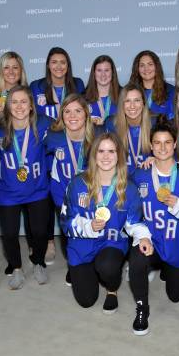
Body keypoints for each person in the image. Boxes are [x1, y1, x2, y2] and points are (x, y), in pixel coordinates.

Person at [60, 133, 152, 320]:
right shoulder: (77, 183)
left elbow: (135, 221)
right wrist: (89, 226)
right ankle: (86, 271)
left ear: (119, 155)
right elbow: (65, 222)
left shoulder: (128, 188)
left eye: (111, 151)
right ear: (93, 155)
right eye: (101, 151)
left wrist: (143, 237)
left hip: (111, 241)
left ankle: (112, 289)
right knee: (86, 301)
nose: (106, 156)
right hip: (82, 244)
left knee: (108, 267)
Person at [130, 116, 179, 335]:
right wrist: (141, 235)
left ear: (175, 145)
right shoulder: (140, 174)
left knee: (175, 296)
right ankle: (142, 308)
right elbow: (131, 211)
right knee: (136, 260)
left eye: (167, 142)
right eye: (157, 143)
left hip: (178, 245)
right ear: (151, 146)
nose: (162, 147)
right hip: (152, 241)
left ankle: (168, 271)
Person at [0, 85, 52, 287]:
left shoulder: (43, 124)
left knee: (40, 232)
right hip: (8, 192)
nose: (19, 106)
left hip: (37, 190)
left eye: (23, 101)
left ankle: (38, 262)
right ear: (7, 106)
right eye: (14, 102)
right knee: (9, 233)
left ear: (31, 106)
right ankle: (16, 268)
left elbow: (66, 131)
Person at [44, 94, 97, 284]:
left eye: (78, 111)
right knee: (69, 232)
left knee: (92, 229)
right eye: (67, 111)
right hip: (62, 196)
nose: (72, 116)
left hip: (91, 196)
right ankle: (73, 265)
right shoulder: (53, 136)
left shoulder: (97, 136)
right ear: (61, 115)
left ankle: (92, 263)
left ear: (86, 114)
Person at [104, 83, 152, 175]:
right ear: (122, 104)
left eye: (137, 100)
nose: (132, 106)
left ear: (143, 103)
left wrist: (157, 159)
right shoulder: (111, 124)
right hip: (121, 179)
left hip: (149, 179)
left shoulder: (155, 123)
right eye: (127, 101)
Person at [31, 47, 85, 120]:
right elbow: (31, 115)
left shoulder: (78, 84)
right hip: (44, 130)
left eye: (62, 62)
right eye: (54, 62)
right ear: (48, 65)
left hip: (72, 130)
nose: (59, 66)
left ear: (68, 66)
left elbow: (83, 112)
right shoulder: (36, 86)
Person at [129, 50, 174, 118]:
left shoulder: (171, 91)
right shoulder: (129, 92)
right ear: (137, 69)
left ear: (157, 67)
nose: (146, 68)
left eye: (150, 64)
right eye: (142, 65)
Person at [0, 51, 29, 122]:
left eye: (15, 67)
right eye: (6, 67)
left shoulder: (30, 94)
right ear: (1, 71)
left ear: (21, 71)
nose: (11, 72)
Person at [84, 55, 121, 125]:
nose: (103, 74)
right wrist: (87, 121)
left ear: (113, 73)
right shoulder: (83, 98)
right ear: (94, 73)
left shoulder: (123, 95)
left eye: (106, 70)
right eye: (99, 70)